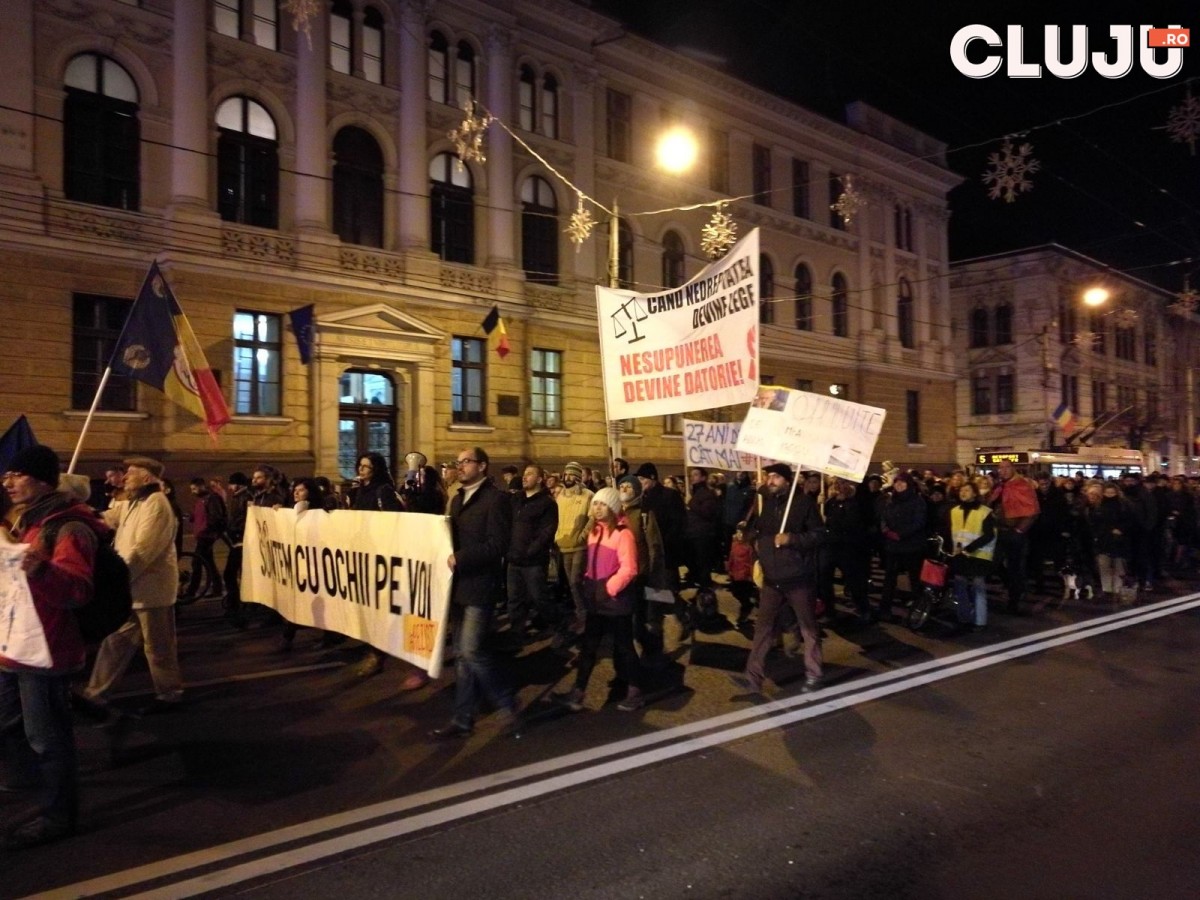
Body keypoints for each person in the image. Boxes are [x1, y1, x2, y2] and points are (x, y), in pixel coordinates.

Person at [0, 445, 104, 848]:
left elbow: (77, 590)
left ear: (43, 480)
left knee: (48, 740)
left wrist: (41, 569)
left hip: (45, 650)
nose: (8, 481)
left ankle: (58, 816)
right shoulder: (27, 521)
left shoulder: (68, 527)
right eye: (6, 475)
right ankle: (26, 779)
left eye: (17, 474)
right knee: (10, 724)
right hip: (14, 645)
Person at [429, 448, 519, 740]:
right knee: (461, 656)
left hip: (480, 586)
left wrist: (461, 557)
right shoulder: (456, 499)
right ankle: (462, 717)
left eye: (466, 461)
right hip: (457, 586)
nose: (460, 466)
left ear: (482, 466)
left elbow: (498, 545)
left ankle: (506, 701)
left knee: (471, 650)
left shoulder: (496, 499)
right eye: (458, 462)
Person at [83, 456, 183, 716]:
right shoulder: (133, 502)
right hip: (132, 590)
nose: (125, 477)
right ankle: (95, 694)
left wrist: (116, 580)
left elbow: (142, 551)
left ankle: (170, 694)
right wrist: (80, 509)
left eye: (131, 473)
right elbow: (109, 518)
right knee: (114, 642)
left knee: (158, 647)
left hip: (151, 592)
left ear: (147, 477)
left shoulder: (156, 504)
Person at [731, 463, 827, 695]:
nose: (770, 480)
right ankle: (753, 678)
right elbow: (762, 531)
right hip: (771, 578)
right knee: (763, 629)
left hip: (798, 578)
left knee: (808, 628)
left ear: (787, 480)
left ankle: (814, 674)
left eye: (775, 477)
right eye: (769, 476)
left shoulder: (803, 503)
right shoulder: (766, 502)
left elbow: (818, 535)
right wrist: (748, 535)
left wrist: (791, 539)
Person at [554, 487, 645, 712]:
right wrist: (588, 582)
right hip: (596, 600)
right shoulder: (594, 532)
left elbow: (629, 568)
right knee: (588, 647)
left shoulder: (623, 534)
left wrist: (609, 588)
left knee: (624, 648)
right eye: (595, 503)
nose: (597, 508)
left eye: (603, 504)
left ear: (613, 508)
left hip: (616, 602)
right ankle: (578, 693)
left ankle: (635, 692)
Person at [619, 474, 670, 665]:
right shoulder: (614, 513)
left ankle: (652, 654)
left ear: (637, 492)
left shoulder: (644, 514)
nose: (624, 489)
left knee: (641, 621)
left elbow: (654, 547)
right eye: (621, 486)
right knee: (626, 621)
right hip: (620, 577)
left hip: (640, 576)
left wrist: (654, 578)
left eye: (629, 486)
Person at [506, 465, 559, 640]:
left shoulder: (547, 503)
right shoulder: (517, 500)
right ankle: (517, 632)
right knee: (514, 599)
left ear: (539, 479)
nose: (524, 477)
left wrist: (530, 550)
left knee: (539, 597)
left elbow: (547, 532)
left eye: (529, 474)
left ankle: (557, 626)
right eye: (524, 473)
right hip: (514, 559)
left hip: (533, 561)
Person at [988, 460, 1040, 614]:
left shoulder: (1022, 485)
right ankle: (1012, 588)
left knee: (1015, 567)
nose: (1003, 470)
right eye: (1000, 468)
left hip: (1014, 532)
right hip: (999, 530)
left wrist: (1019, 530)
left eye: (1006, 467)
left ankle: (1014, 600)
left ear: (1013, 468)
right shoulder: (1000, 486)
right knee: (994, 563)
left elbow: (1032, 511)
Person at [879, 471, 928, 623]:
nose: (899, 485)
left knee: (914, 578)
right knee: (889, 578)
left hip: (911, 546)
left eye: (902, 482)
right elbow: (883, 517)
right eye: (896, 482)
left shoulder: (917, 500)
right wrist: (886, 530)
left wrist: (901, 534)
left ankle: (917, 609)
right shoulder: (890, 500)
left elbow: (919, 522)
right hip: (893, 546)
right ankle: (885, 609)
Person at [552, 461, 594, 641]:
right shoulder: (560, 496)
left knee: (577, 582)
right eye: (566, 474)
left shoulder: (588, 495)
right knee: (571, 584)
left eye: (571, 474)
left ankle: (586, 618)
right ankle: (582, 614)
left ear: (577, 476)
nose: (567, 477)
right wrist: (556, 536)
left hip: (579, 546)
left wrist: (582, 536)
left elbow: (592, 518)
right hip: (563, 544)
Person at [949, 482, 996, 632]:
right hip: (960, 554)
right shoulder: (954, 511)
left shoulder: (985, 512)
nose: (963, 492)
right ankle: (963, 618)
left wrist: (969, 548)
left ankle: (980, 621)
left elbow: (989, 535)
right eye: (962, 490)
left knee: (978, 587)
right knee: (960, 586)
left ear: (975, 494)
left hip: (979, 555)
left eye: (967, 490)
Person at [188, 477, 226, 599]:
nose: (192, 492)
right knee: (209, 563)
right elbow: (199, 515)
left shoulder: (212, 498)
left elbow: (215, 517)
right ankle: (217, 588)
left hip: (206, 536)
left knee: (196, 562)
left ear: (201, 486)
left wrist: (206, 529)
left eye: (194, 489)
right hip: (203, 535)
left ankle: (191, 591)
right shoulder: (202, 499)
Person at [222, 472, 251, 626]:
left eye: (231, 484)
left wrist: (238, 532)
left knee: (232, 574)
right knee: (233, 574)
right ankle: (237, 605)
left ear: (238, 484)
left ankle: (239, 608)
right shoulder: (237, 497)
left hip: (241, 541)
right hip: (236, 540)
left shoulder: (245, 497)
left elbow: (246, 518)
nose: (229, 487)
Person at [726, 525, 758, 626]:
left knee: (743, 595)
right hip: (736, 574)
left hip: (744, 576)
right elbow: (731, 558)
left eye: (741, 533)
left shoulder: (749, 548)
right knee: (737, 593)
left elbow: (751, 562)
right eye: (738, 532)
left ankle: (744, 614)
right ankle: (749, 604)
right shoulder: (734, 545)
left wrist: (751, 576)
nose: (739, 535)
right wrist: (729, 569)